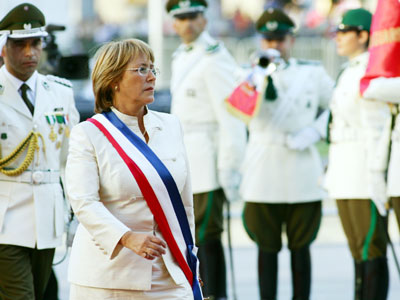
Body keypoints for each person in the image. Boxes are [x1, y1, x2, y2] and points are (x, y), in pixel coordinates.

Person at [65, 38, 202, 300]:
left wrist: (190, 258)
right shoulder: (88, 134)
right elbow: (84, 202)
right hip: (108, 276)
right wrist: (126, 237)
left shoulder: (171, 125)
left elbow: (184, 205)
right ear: (113, 79)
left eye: (153, 69)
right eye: (141, 69)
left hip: (168, 272)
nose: (151, 76)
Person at [239, 8, 334, 300]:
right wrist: (256, 77)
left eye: (280, 39)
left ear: (290, 39)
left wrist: (316, 131)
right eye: (268, 39)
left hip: (301, 170)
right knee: (266, 250)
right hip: (263, 169)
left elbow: (337, 106)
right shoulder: (247, 73)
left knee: (301, 249)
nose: (274, 46)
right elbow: (237, 110)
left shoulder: (312, 72)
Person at [165, 1, 247, 299]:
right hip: (185, 158)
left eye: (192, 17)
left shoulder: (214, 57)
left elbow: (231, 117)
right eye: (181, 18)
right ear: (173, 23)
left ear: (204, 20)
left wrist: (229, 165)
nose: (187, 24)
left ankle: (216, 295)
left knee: (209, 237)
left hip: (208, 161)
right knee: (190, 237)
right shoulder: (180, 57)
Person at [0, 3, 79, 300]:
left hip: (48, 217)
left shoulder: (60, 92)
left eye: (36, 43)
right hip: (5, 221)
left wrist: (76, 216)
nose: (30, 52)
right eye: (20, 45)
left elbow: (70, 160)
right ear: (5, 48)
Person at [324, 8, 391, 300]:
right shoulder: (348, 70)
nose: (338, 38)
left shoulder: (373, 71)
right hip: (344, 170)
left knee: (371, 247)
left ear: (364, 36)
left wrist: (378, 171)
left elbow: (377, 127)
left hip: (365, 168)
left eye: (345, 32)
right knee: (355, 247)